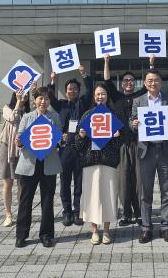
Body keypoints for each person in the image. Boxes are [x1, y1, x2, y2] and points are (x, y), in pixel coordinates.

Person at [130, 69, 168, 243]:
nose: (153, 83)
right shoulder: (138, 100)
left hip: (165, 150)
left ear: (161, 82)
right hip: (146, 151)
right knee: (145, 192)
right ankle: (146, 228)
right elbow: (132, 120)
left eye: (156, 80)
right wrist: (134, 123)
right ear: (145, 83)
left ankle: (165, 227)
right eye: (150, 80)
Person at [74, 83, 127, 244]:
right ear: (94, 97)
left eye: (103, 94)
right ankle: (94, 230)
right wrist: (81, 136)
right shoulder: (87, 115)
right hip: (90, 163)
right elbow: (78, 145)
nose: (100, 97)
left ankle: (106, 230)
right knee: (92, 197)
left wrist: (118, 137)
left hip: (109, 162)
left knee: (108, 196)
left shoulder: (114, 116)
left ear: (107, 96)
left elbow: (121, 144)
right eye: (97, 94)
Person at [14, 87, 62, 248]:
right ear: (34, 100)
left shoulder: (54, 117)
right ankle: (21, 235)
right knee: (25, 201)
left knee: (47, 201)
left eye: (46, 99)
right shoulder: (27, 117)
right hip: (29, 163)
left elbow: (59, 138)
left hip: (48, 163)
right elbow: (20, 137)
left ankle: (46, 235)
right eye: (40, 98)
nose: (43, 101)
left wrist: (60, 139)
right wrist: (19, 141)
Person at [48, 64, 95, 227]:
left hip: (81, 148)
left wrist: (84, 74)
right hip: (65, 150)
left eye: (75, 88)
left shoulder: (83, 103)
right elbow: (50, 97)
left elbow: (90, 91)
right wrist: (53, 81)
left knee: (80, 183)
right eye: (69, 89)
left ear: (78, 90)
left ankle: (77, 212)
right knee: (65, 182)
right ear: (66, 91)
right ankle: (66, 212)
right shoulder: (61, 105)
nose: (72, 91)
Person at [104, 54, 147, 226]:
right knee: (123, 179)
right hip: (121, 143)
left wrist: (151, 62)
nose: (128, 82)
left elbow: (149, 81)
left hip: (138, 143)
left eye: (131, 80)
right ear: (122, 83)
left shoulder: (140, 95)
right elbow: (107, 82)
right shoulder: (117, 97)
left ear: (135, 83)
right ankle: (126, 213)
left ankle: (138, 213)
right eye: (126, 80)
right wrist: (106, 62)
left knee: (138, 179)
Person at [0, 89, 29, 227]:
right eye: (21, 94)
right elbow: (12, 118)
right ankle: (8, 214)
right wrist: (18, 102)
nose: (24, 96)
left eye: (26, 95)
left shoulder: (28, 112)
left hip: (23, 149)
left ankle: (21, 213)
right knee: (8, 182)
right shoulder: (7, 108)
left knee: (22, 183)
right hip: (8, 148)